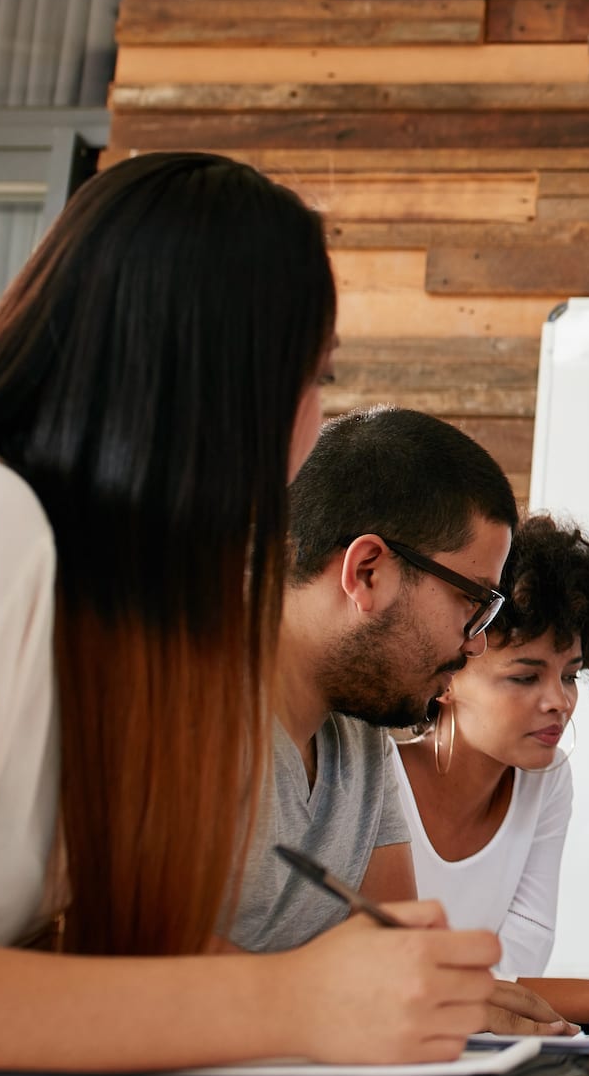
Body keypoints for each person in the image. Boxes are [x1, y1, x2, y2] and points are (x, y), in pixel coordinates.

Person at [0, 152, 505, 1071]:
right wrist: (292, 1000)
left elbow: (86, 957)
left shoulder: (112, 615)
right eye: (313, 377)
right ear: (215, 375)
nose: (315, 425)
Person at [244, 406, 572, 1035]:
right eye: (472, 603)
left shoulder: (362, 731)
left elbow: (393, 958)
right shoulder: (189, 714)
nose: (476, 644)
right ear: (368, 571)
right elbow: (144, 957)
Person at [393, 513, 589, 1028]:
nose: (559, 702)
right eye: (524, 677)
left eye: (571, 676)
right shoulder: (377, 777)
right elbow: (399, 979)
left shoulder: (546, 778)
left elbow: (515, 965)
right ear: (445, 672)